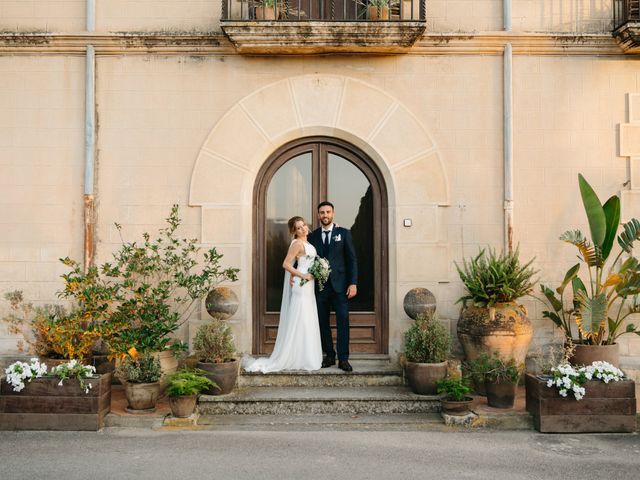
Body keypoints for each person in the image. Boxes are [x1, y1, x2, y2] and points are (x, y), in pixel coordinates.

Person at [243, 216, 322, 372]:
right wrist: (302, 275)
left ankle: (304, 356)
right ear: (294, 231)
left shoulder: (307, 242)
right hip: (302, 284)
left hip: (308, 285)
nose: (303, 228)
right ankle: (296, 357)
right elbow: (286, 264)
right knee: (302, 319)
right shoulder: (298, 243)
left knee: (306, 318)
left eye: (304, 225)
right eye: (298, 227)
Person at [308, 201, 358, 372]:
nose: (325, 215)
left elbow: (352, 259)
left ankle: (343, 359)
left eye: (328, 212)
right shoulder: (312, 236)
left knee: (343, 321)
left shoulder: (343, 233)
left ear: (333, 214)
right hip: (320, 287)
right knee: (322, 322)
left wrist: (353, 283)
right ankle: (329, 355)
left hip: (341, 287)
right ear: (318, 215)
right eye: (322, 212)